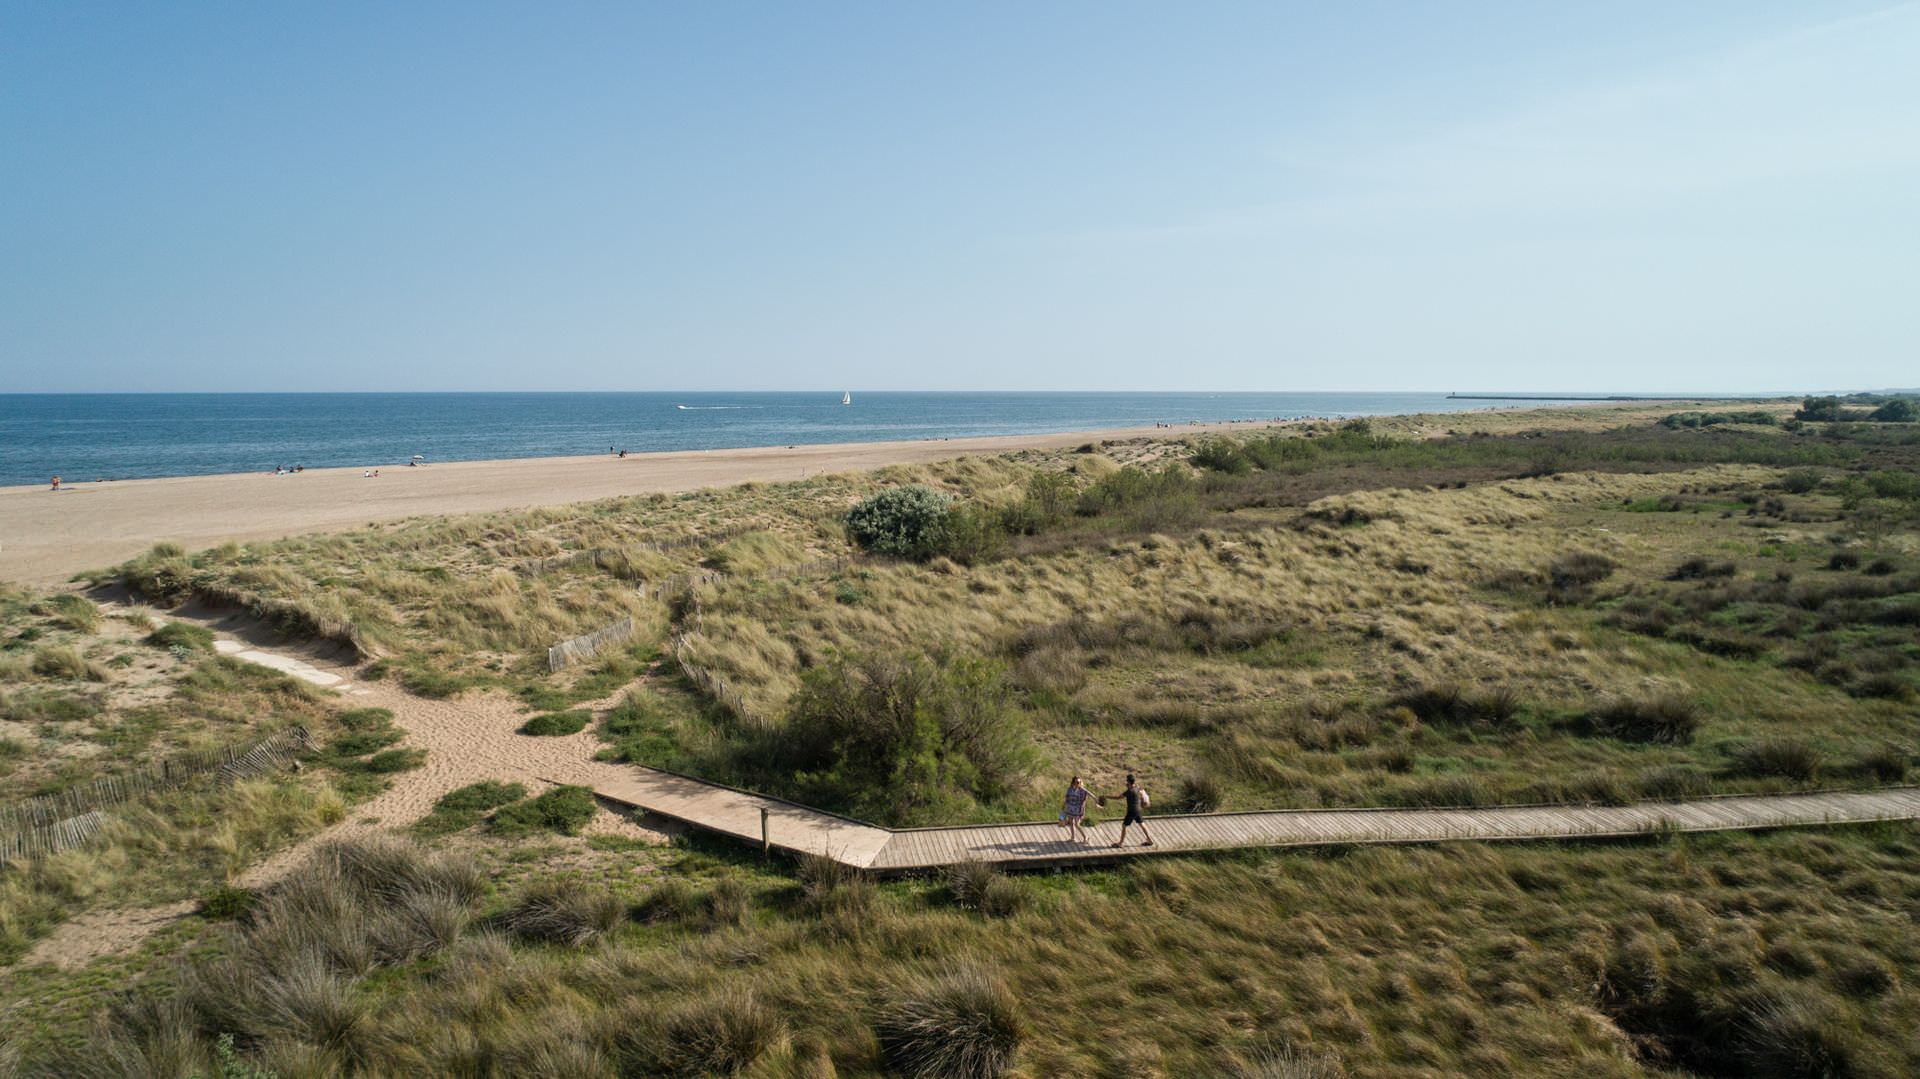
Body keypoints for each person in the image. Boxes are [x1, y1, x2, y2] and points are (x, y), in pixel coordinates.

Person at [1101, 773, 1153, 848]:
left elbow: (1118, 797)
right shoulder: (1137, 788)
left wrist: (1106, 796)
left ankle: (1120, 843)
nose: (1126, 782)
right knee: (1142, 824)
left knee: (1124, 826)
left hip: (1132, 811)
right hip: (1138, 810)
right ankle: (1150, 840)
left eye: (1127, 781)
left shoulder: (1129, 791)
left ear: (1128, 782)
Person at [1057, 776, 1094, 843]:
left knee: (1077, 824)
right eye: (1077, 782)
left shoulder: (1082, 790)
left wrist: (1096, 799)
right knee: (1071, 823)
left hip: (1078, 810)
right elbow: (1067, 798)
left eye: (1080, 782)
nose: (1079, 783)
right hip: (1070, 808)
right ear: (1073, 782)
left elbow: (1086, 798)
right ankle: (1073, 837)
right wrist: (1064, 806)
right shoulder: (1070, 789)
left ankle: (1086, 837)